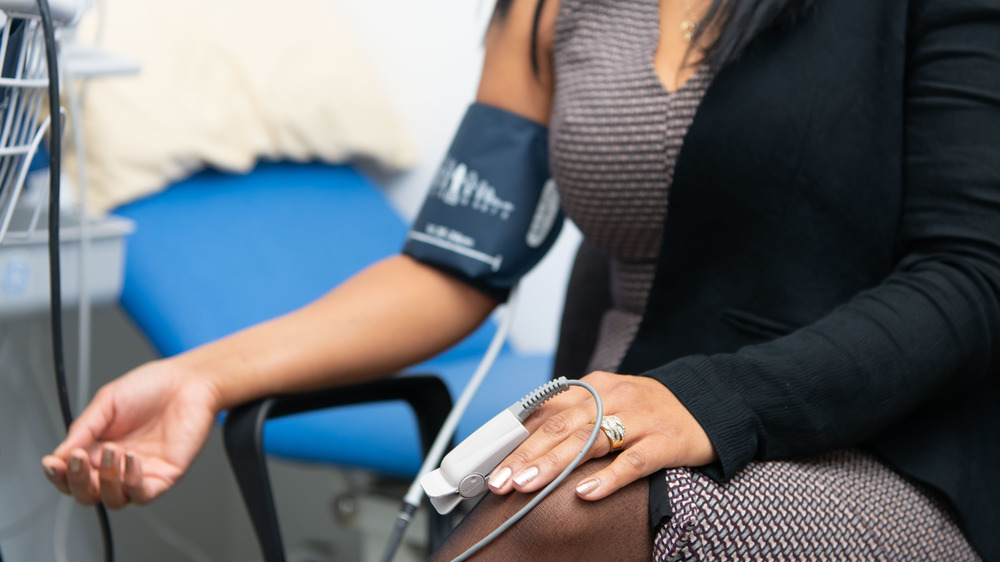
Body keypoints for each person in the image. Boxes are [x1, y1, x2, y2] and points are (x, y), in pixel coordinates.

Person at [43, 0, 999, 559]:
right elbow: (452, 267)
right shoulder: (552, 10)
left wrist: (706, 399)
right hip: (604, 420)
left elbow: (973, 277)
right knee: (547, 499)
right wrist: (204, 376)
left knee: (550, 518)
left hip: (879, 445)